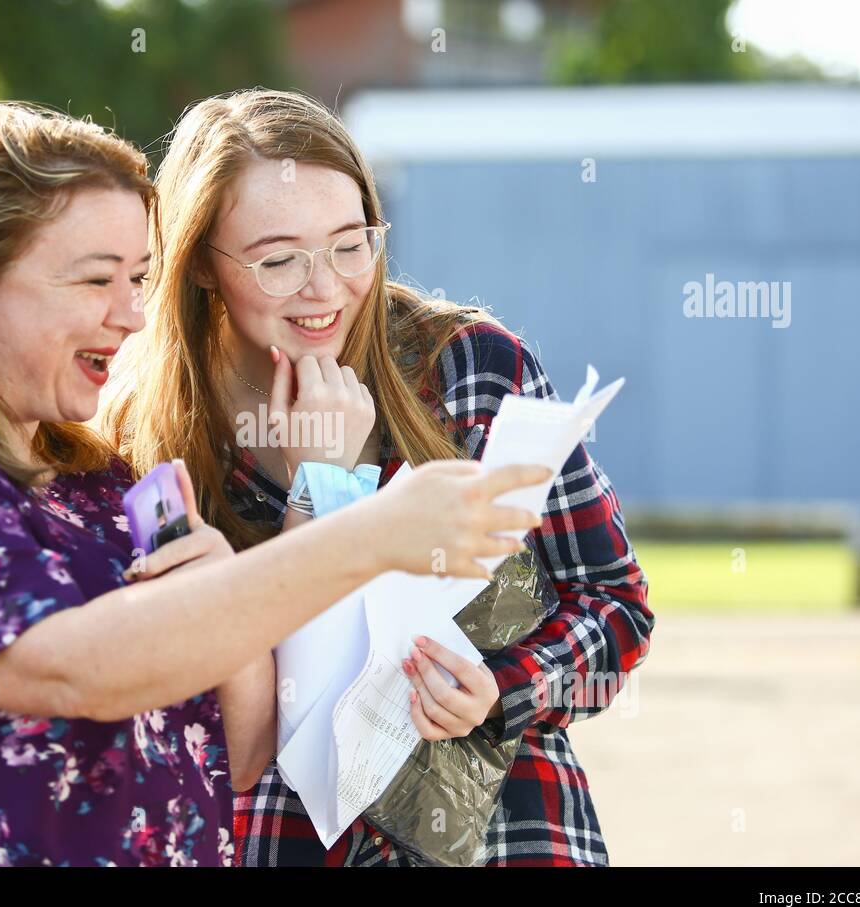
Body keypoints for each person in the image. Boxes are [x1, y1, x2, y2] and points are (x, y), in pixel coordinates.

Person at [0, 101, 552, 867]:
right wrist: (367, 531)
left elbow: (242, 750)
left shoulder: (114, 480)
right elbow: (76, 670)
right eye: (95, 281)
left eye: (139, 277)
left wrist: (286, 533)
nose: (133, 316)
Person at [102, 88, 655, 866]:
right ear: (198, 263)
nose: (325, 287)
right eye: (279, 259)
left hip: (507, 835)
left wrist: (503, 688)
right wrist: (319, 493)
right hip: (284, 840)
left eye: (349, 243)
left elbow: (618, 608)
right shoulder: (139, 440)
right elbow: (180, 706)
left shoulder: (471, 369)